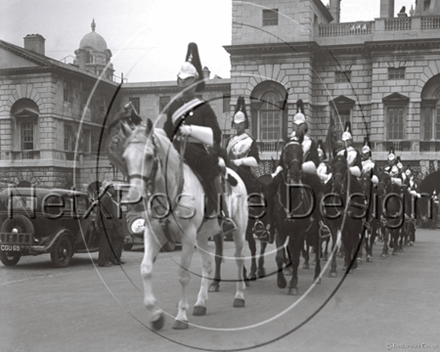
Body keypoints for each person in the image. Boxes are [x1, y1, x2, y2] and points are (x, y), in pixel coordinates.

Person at [163, 42, 235, 235]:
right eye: (182, 80)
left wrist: (191, 130)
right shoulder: (173, 107)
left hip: (198, 153)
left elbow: (215, 135)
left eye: (188, 81)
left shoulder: (204, 107)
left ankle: (223, 214)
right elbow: (167, 132)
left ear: (194, 82)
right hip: (175, 152)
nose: (184, 85)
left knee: (213, 173)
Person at [97, 181, 126, 267]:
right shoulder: (106, 198)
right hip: (106, 224)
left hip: (105, 223)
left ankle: (104, 260)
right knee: (105, 244)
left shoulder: (105, 197)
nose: (114, 189)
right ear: (108, 188)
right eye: (112, 187)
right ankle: (103, 261)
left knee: (106, 243)